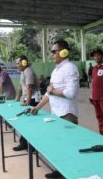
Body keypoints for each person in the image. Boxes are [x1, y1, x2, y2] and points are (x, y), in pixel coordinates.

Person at [30, 39, 79, 178]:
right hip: (56, 114)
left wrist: (53, 90)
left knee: (69, 147)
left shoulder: (70, 68)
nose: (52, 55)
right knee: (60, 146)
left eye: (54, 51)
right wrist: (36, 108)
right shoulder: (56, 70)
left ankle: (70, 174)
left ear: (64, 52)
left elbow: (70, 93)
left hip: (67, 114)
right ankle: (61, 172)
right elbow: (48, 94)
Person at [13, 55, 40, 151]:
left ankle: (31, 146)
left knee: (32, 123)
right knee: (26, 122)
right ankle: (24, 143)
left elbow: (29, 87)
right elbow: (20, 87)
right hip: (27, 98)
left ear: (24, 62)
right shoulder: (22, 72)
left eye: (18, 63)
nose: (16, 65)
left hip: (32, 99)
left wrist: (27, 102)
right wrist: (17, 98)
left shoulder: (28, 71)